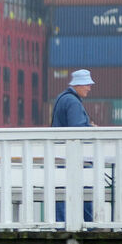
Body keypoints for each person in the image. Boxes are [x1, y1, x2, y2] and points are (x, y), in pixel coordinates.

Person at [50, 69, 96, 222]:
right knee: (88, 186)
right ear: (79, 85)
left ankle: (61, 223)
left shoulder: (61, 98)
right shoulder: (73, 102)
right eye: (87, 85)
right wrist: (92, 129)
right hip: (73, 156)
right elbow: (77, 128)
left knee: (62, 190)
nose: (89, 88)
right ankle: (89, 225)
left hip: (60, 154)